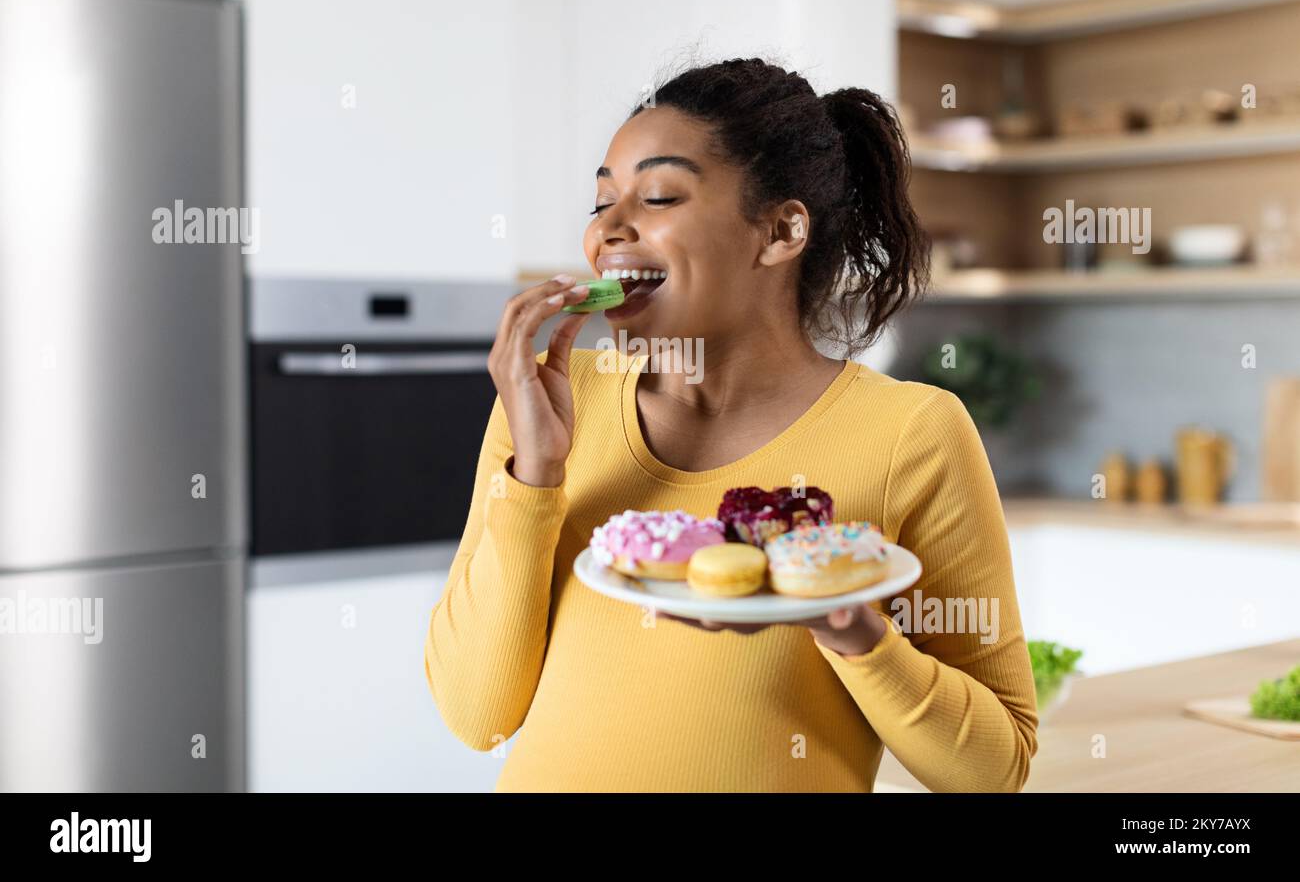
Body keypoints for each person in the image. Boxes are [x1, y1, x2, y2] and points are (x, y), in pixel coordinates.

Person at [424, 57, 1037, 792]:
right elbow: (475, 716)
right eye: (600, 203)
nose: (609, 230)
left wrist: (852, 629)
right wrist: (535, 480)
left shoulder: (912, 432)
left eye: (657, 196)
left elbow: (993, 770)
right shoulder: (553, 402)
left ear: (780, 231)